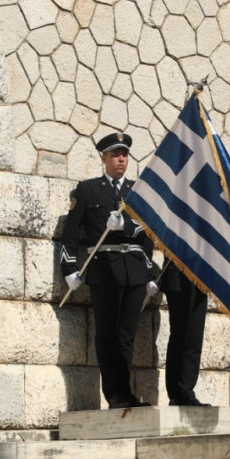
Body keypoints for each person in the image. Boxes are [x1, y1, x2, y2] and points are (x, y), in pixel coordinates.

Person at [59, 132, 159, 409]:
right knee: (106, 335)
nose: (121, 160)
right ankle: (114, 394)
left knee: (127, 335)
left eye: (124, 155)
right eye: (115, 155)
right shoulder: (88, 190)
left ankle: (126, 393)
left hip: (134, 271)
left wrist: (149, 273)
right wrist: (69, 268)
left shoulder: (137, 191)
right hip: (104, 269)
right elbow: (71, 234)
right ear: (104, 158)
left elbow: (148, 231)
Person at [161, 263, 210, 407]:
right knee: (179, 335)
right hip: (178, 275)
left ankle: (187, 389)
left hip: (199, 278)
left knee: (194, 338)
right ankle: (176, 393)